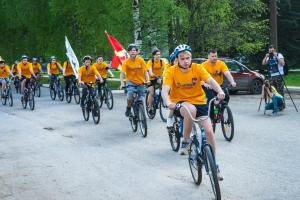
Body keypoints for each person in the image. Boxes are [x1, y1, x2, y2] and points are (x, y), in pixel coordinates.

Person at [162, 44, 225, 179]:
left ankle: (214, 164)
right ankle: (186, 140)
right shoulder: (170, 71)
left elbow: (211, 80)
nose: (186, 61)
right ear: (177, 59)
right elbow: (165, 89)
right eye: (182, 58)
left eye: (188, 58)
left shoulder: (197, 68)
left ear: (191, 57)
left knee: (209, 131)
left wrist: (219, 90)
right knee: (190, 109)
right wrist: (168, 102)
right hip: (180, 103)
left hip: (200, 101)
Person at [120, 44, 150, 117]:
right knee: (130, 94)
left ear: (137, 52)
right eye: (130, 51)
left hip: (141, 82)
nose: (132, 52)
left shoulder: (141, 60)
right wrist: (122, 83)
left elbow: (145, 72)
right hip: (131, 82)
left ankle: (140, 110)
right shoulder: (126, 62)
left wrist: (148, 80)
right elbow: (122, 73)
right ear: (129, 52)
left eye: (134, 50)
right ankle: (129, 107)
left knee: (141, 97)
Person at [146, 49, 166, 113]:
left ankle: (161, 96)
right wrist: (156, 76)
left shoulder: (161, 61)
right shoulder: (150, 62)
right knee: (151, 92)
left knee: (164, 84)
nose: (158, 56)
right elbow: (150, 73)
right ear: (153, 56)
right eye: (157, 55)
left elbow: (166, 70)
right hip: (150, 78)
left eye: (159, 54)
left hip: (157, 78)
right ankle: (150, 107)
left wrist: (165, 76)